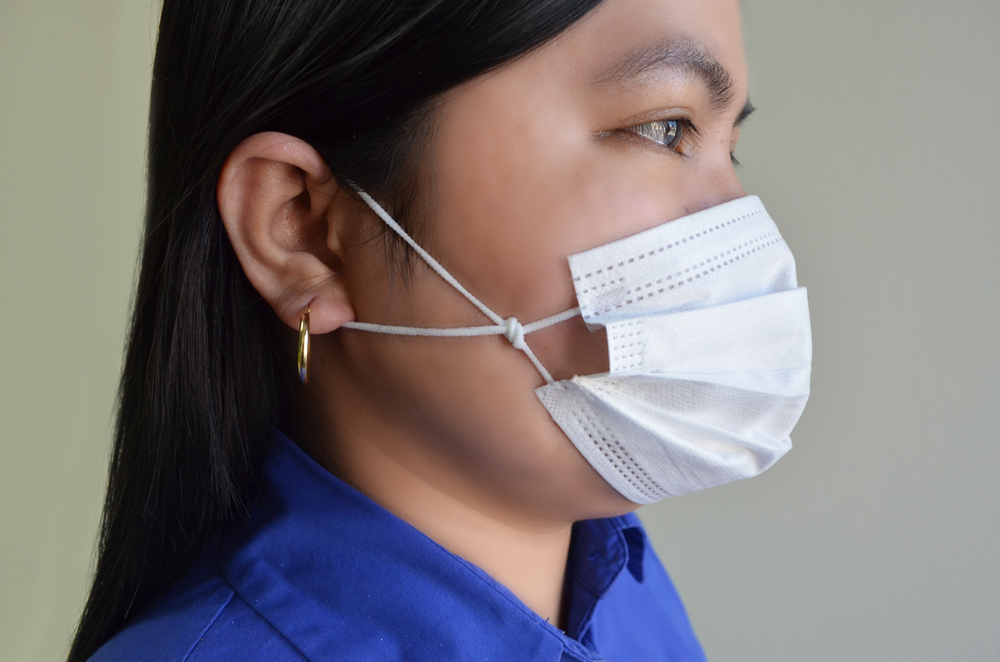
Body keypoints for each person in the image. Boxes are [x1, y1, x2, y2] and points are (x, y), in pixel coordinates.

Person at [70, 0, 812, 660]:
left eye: (727, 146)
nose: (739, 225)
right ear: (304, 229)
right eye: (665, 128)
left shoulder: (622, 591)